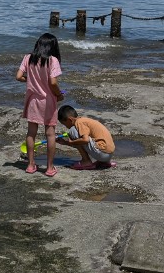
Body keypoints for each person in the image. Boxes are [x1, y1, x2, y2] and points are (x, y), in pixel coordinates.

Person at [16, 33, 65, 177]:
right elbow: (53, 83)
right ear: (53, 46)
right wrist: (58, 94)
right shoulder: (52, 60)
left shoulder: (28, 57)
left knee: (31, 133)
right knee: (50, 134)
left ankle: (31, 165)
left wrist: (30, 80)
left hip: (32, 99)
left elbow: (18, 76)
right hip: (48, 100)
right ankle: (49, 168)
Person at [58, 105, 115, 170]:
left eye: (64, 124)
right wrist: (65, 143)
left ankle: (86, 161)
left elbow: (85, 140)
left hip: (102, 154)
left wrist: (71, 142)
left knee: (72, 131)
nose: (66, 126)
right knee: (79, 136)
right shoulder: (84, 120)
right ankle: (104, 162)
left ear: (70, 119)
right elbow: (81, 143)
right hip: (108, 155)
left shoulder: (79, 123)